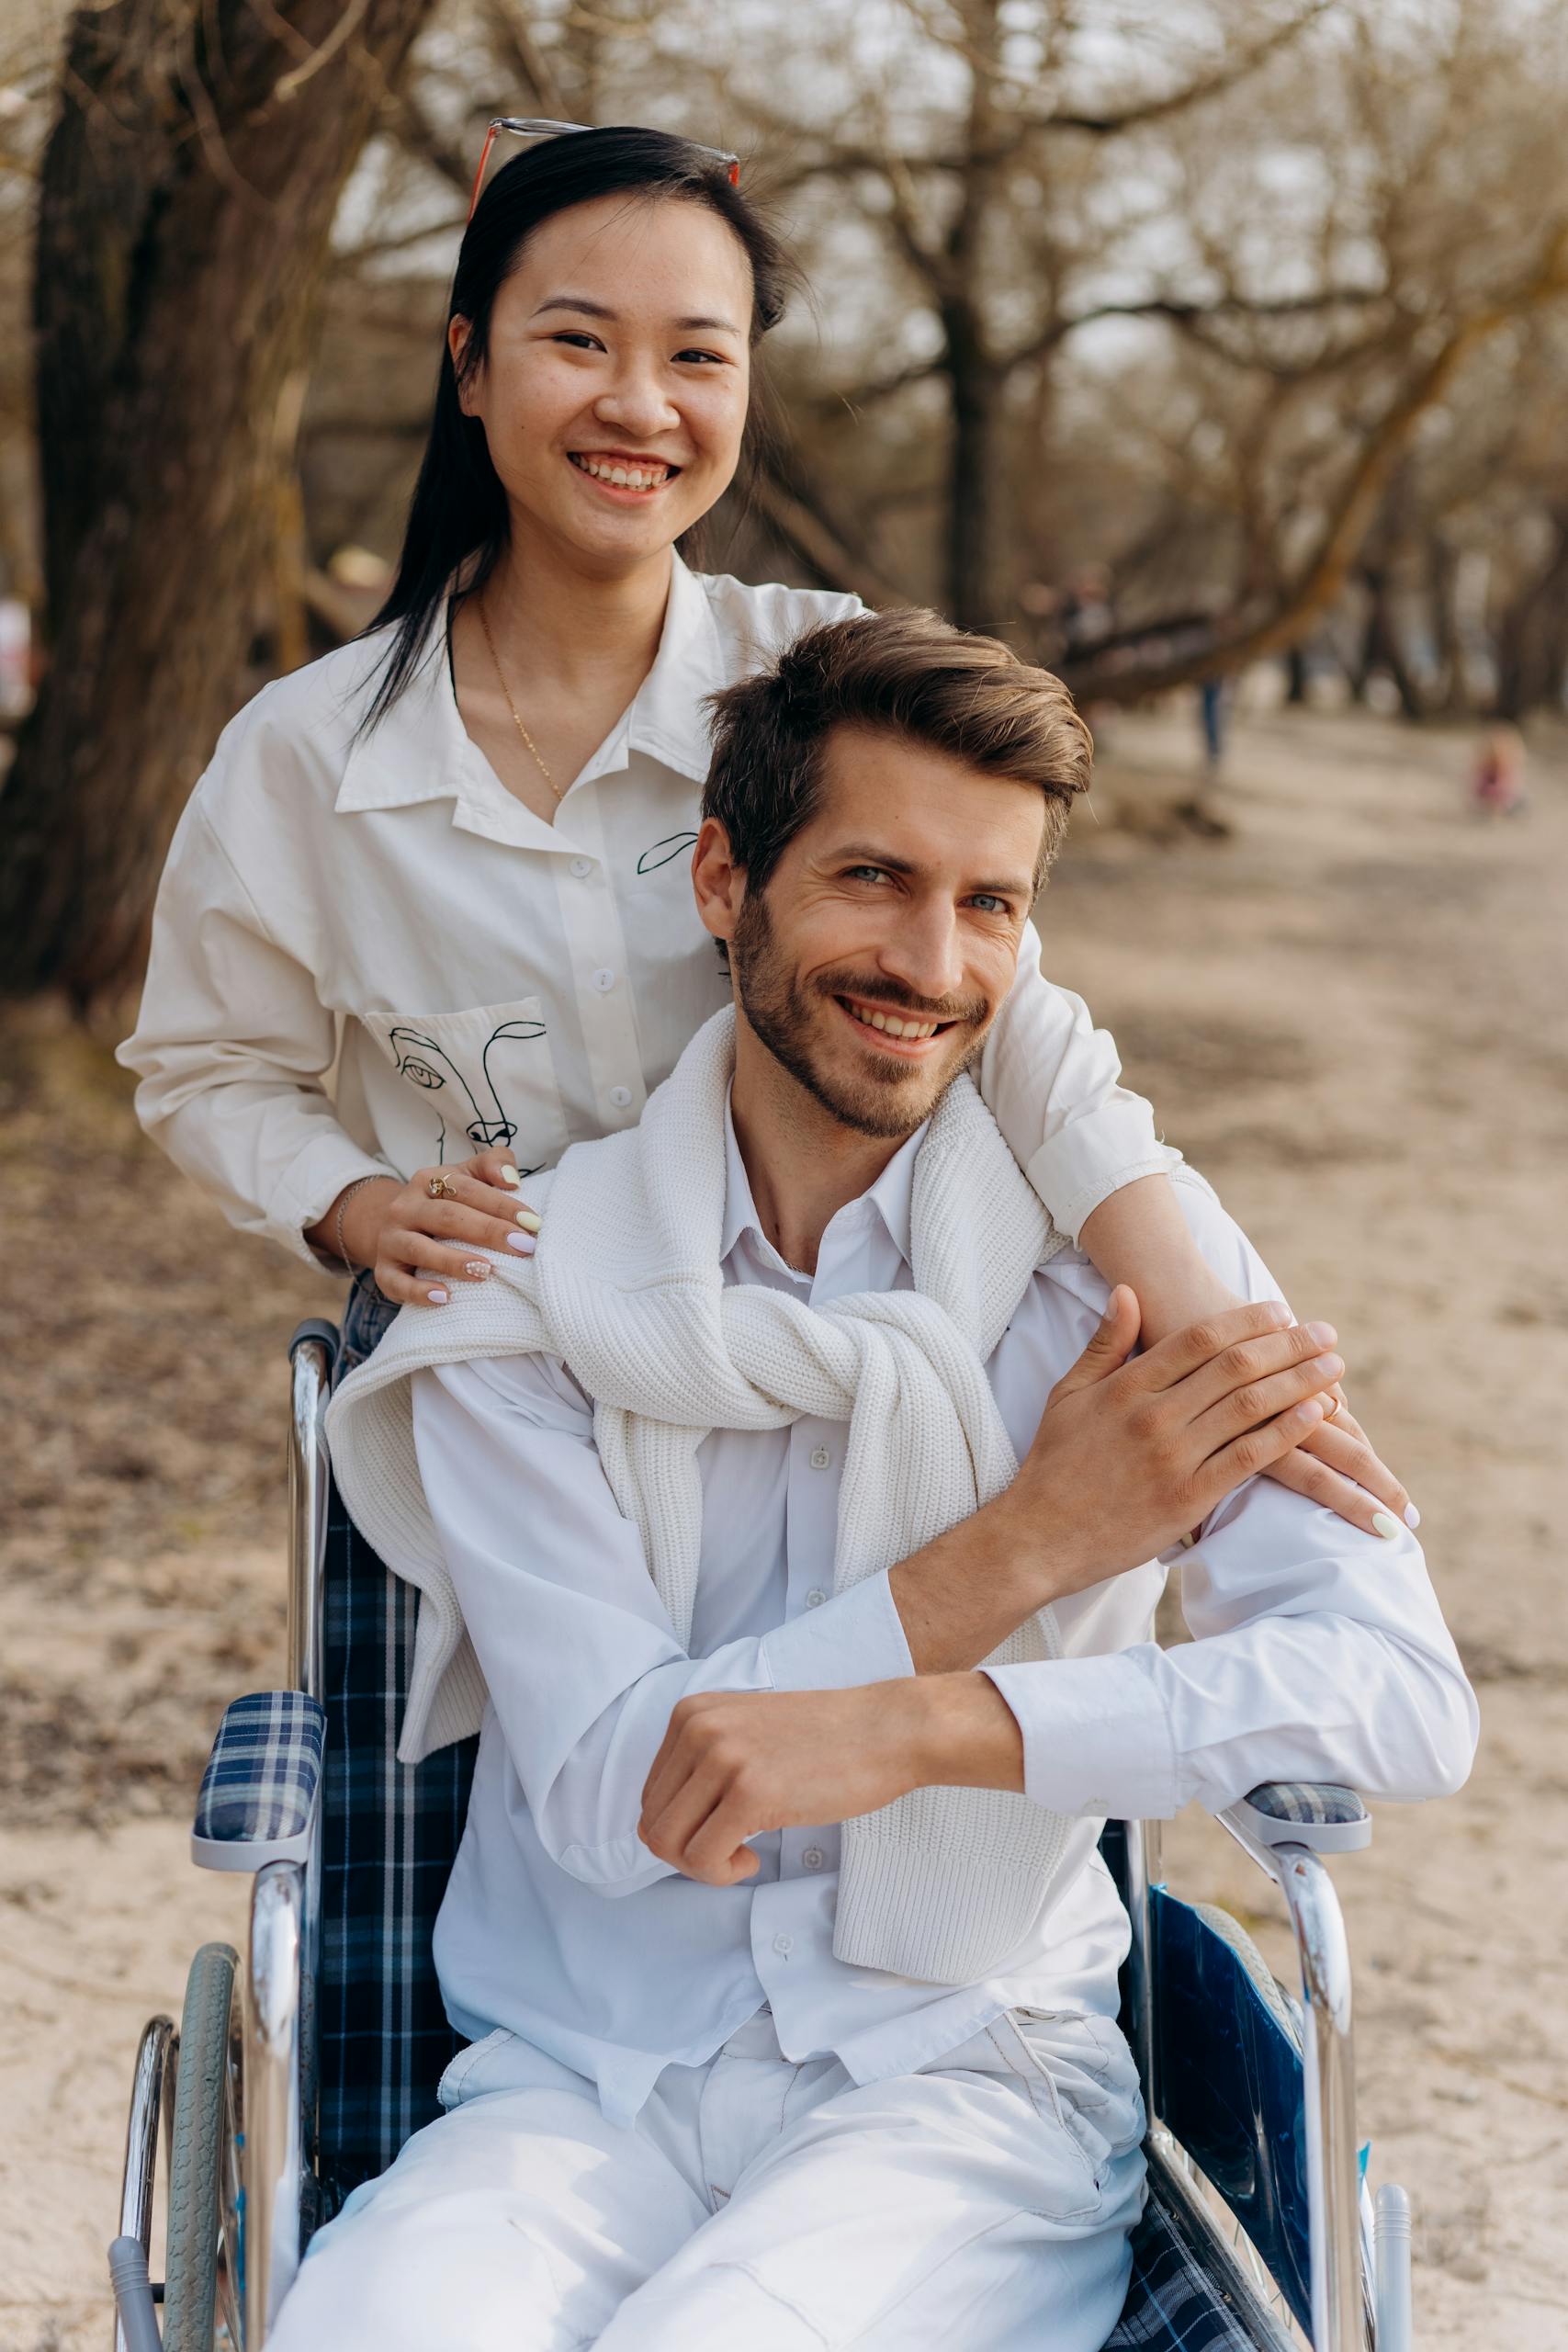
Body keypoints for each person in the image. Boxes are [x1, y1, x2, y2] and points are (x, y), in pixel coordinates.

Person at [117, 117, 1409, 2164]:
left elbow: (1015, 1021)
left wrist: (1211, 1320)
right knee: (566, 1845)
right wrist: (361, 1203)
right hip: (521, 1376)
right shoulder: (305, 759)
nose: (639, 406)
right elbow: (202, 1070)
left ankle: (930, 2088)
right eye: (576, 340)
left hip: (837, 1332)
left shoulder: (798, 671)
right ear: (466, 362)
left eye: (697, 356)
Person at [298, 609, 1476, 2352]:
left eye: (989, 903)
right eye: (871, 877)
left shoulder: (1123, 1281)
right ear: (724, 882)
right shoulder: (521, 1288)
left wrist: (945, 1728)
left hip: (964, 2084)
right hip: (577, 2087)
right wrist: (1024, 1549)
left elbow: (1400, 1694)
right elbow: (632, 1797)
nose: (931, 961)